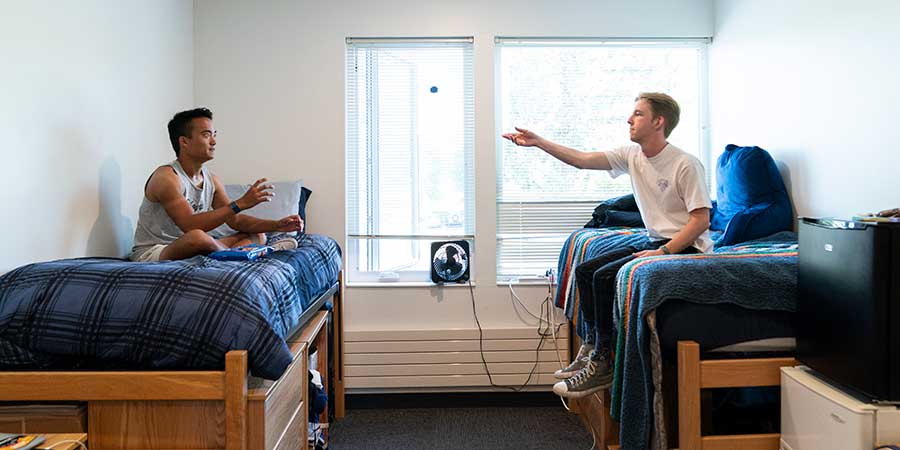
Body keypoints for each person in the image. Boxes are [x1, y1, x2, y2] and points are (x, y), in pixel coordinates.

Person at [502, 92, 712, 398]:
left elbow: (701, 220)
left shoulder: (685, 164)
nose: (629, 119)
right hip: (657, 240)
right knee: (586, 270)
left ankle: (603, 361)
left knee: (604, 276)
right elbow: (582, 161)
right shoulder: (632, 155)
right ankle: (593, 346)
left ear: (658, 121)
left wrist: (663, 252)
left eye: (638, 114)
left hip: (685, 247)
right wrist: (539, 142)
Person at [129, 107, 303, 262]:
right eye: (206, 135)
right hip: (155, 251)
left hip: (195, 247)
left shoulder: (211, 179)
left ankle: (228, 253)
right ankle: (236, 253)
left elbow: (235, 220)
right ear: (184, 141)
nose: (213, 141)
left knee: (257, 234)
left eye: (214, 135)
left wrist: (277, 225)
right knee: (197, 236)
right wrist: (240, 203)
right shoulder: (167, 177)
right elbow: (189, 225)